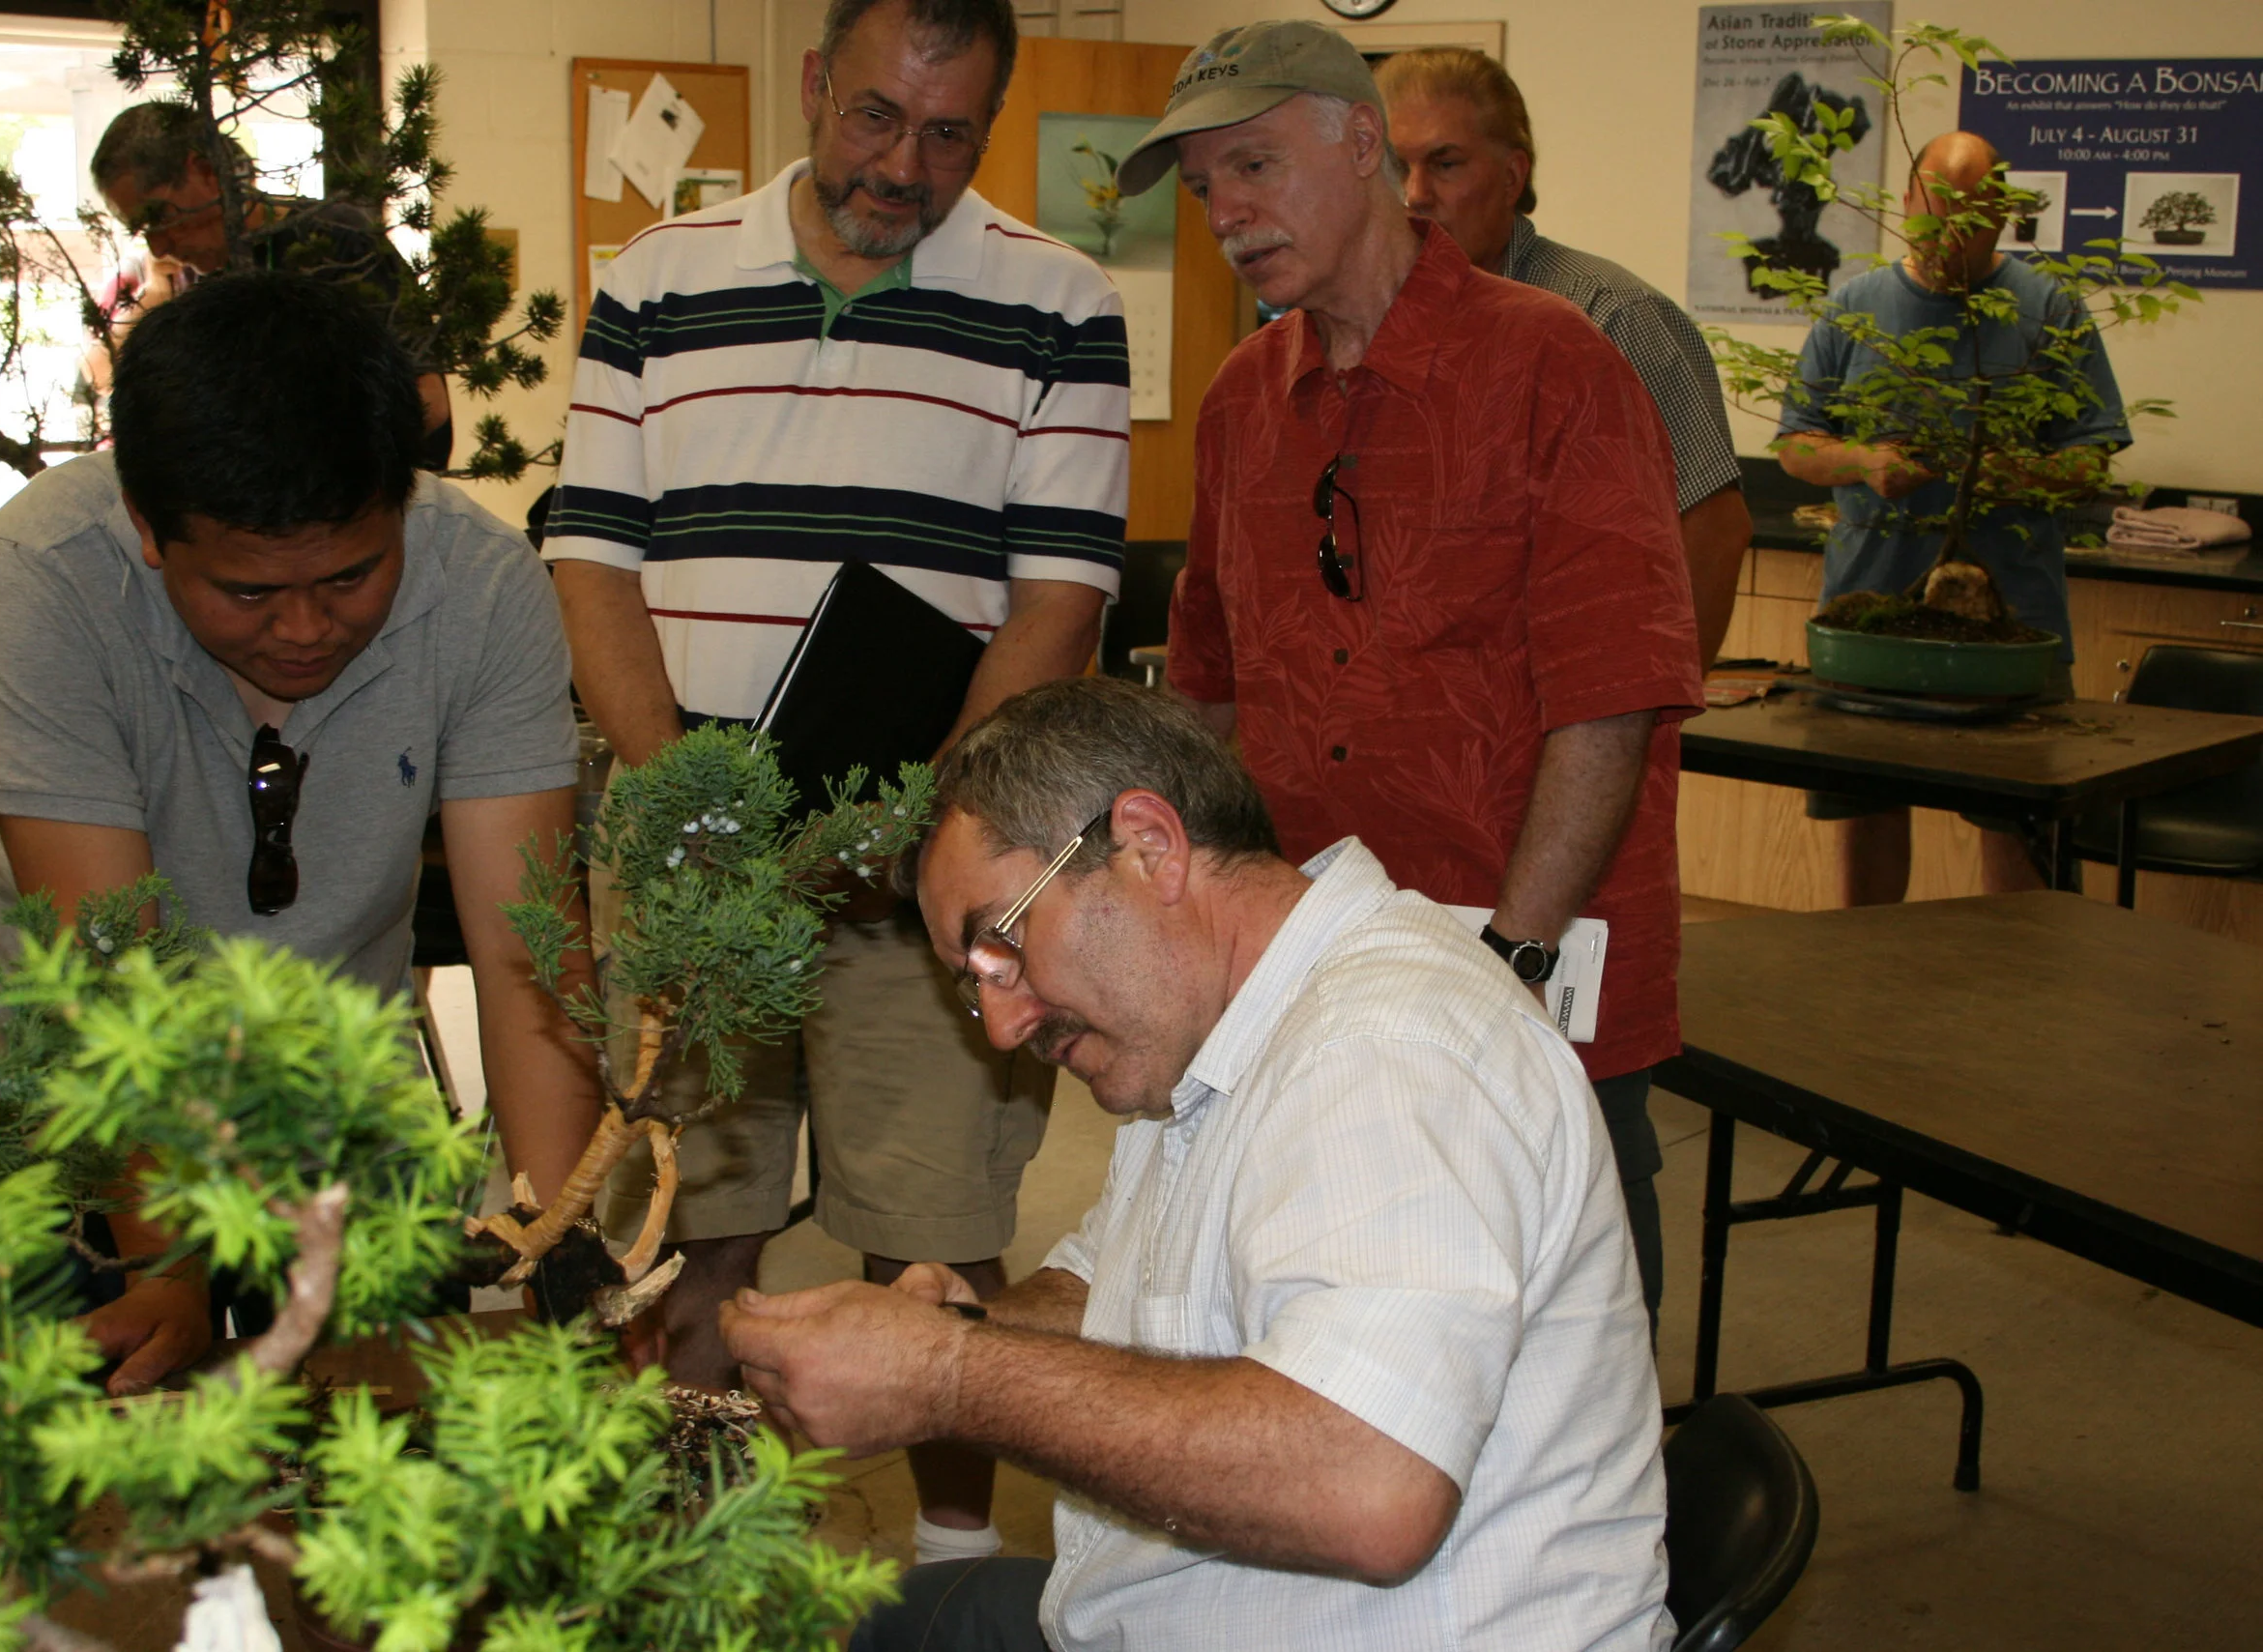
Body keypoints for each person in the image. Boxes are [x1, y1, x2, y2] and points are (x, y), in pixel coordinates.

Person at [721, 677, 1670, 1652]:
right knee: (897, 1622)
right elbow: (1116, 1284)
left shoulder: (1385, 1048)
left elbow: (1369, 1485)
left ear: (1148, 845)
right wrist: (945, 1327)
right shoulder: (1206, 1032)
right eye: (976, 986)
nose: (1003, 1024)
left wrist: (949, 1375)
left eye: (1002, 946)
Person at [538, 0, 1128, 1562]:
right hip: (689, 848)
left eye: (948, 135)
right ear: (811, 85)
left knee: (935, 1231)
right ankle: (694, 1538)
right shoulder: (653, 285)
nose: (901, 166)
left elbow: (1057, 604)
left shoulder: (1060, 304)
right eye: (873, 117)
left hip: (927, 864)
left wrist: (922, 828)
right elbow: (594, 565)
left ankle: (946, 1570)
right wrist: (681, 810)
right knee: (688, 1217)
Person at [0, 271, 603, 1392]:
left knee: (374, 1464)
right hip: (83, 1122)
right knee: (99, 1490)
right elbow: (106, 971)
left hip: (335, 1096)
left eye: (353, 575)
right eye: (248, 593)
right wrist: (176, 1260)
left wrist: (566, 1244)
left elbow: (527, 956)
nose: (306, 628)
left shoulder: (484, 587)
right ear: (149, 529)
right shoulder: (39, 582)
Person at [1144, 20, 1703, 1326]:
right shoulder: (1239, 405)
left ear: (1361, 145)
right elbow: (1207, 697)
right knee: (1340, 1299)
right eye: (1204, 186)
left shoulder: (1555, 366)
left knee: (1563, 1312)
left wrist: (1509, 959)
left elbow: (1610, 697)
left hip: (1530, 955)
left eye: (1255, 166)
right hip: (1315, 964)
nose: (1228, 211)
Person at [1776, 131, 2130, 906]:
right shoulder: (1855, 310)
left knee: (2021, 821)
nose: (1948, 242)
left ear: (2002, 215)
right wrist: (1863, 462)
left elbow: (2091, 457)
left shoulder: (2049, 309)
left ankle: (2022, 996)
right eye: (1934, 219)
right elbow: (1797, 444)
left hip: (2011, 627)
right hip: (1869, 614)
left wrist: (2007, 473)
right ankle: (1865, 981)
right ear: (1905, 203)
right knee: (1865, 807)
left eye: (1972, 222)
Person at [1378, 45, 1751, 668]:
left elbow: (1712, 528)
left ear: (1511, 176)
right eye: (1396, 167)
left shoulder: (1610, 317)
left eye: (1445, 164)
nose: (1415, 194)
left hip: (1574, 711)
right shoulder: (1379, 324)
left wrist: (1646, 722)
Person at [89, 101, 455, 465]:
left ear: (206, 172)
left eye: (161, 219)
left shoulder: (333, 243)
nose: (158, 245)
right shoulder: (188, 275)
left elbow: (428, 404)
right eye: (142, 230)